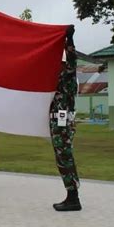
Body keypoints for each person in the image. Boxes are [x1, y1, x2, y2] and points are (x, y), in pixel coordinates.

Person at [50, 25, 81, 211]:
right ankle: (72, 195)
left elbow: (72, 59)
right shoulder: (56, 77)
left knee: (65, 158)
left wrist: (70, 40)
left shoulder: (68, 75)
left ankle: (73, 198)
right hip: (58, 122)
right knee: (63, 158)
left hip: (63, 122)